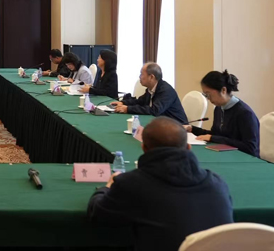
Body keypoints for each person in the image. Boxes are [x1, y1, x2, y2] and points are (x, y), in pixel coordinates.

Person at [87, 117, 233, 251]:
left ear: (144, 148)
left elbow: (99, 214)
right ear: (188, 147)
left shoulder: (132, 184)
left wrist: (106, 188)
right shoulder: (217, 182)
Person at [186, 70, 260, 157]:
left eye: (208, 94)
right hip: (228, 155)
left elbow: (250, 148)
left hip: (245, 159)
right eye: (205, 95)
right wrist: (192, 129)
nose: (208, 99)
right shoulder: (218, 108)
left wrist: (213, 138)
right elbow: (216, 134)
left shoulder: (245, 113)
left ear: (223, 90)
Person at [110, 62, 188, 124]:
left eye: (141, 74)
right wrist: (123, 103)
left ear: (151, 77)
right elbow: (140, 101)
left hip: (177, 126)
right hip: (162, 123)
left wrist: (128, 109)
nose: (139, 77)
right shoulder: (151, 88)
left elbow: (155, 110)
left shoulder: (166, 91)